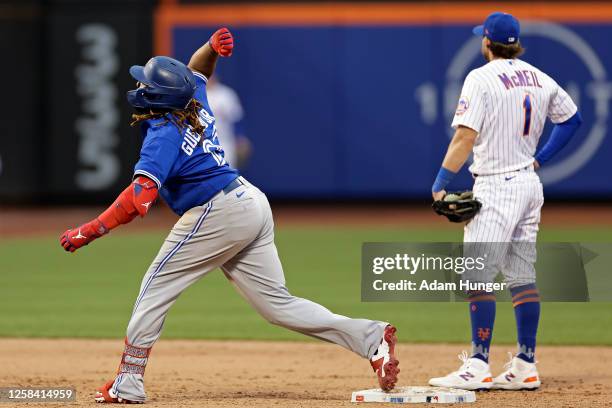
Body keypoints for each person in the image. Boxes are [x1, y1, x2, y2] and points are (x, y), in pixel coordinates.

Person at [59, 27, 399, 403]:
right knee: (277, 306)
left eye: (145, 86)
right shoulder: (194, 100)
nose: (140, 89)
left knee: (156, 285)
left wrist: (90, 230)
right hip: (250, 202)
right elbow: (196, 70)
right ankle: (371, 339)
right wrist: (210, 49)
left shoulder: (163, 134)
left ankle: (128, 383)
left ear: (156, 98)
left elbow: (140, 198)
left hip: (217, 210)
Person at [429, 12, 582, 391]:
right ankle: (525, 363)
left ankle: (478, 363)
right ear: (515, 43)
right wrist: (541, 158)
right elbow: (572, 119)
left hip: (496, 185)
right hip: (530, 186)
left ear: (486, 43)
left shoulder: (479, 78)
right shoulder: (537, 75)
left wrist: (440, 183)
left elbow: (464, 137)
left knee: (478, 274)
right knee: (521, 276)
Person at [206, 76, 252, 169]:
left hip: (224, 142)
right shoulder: (194, 94)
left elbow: (236, 119)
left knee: (226, 173)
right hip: (200, 144)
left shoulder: (225, 94)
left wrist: (240, 137)